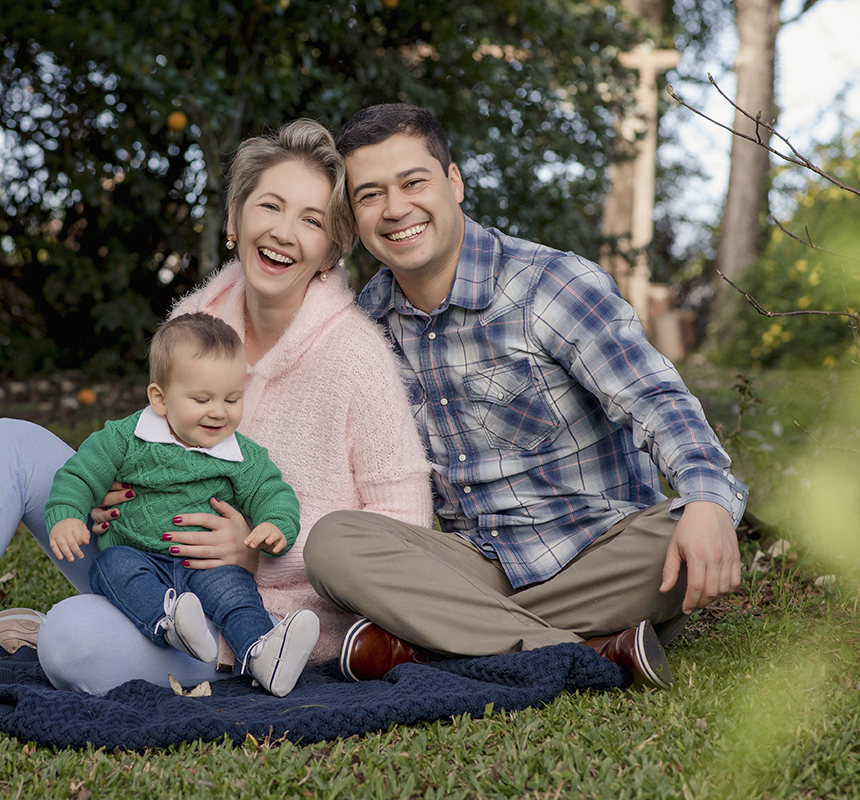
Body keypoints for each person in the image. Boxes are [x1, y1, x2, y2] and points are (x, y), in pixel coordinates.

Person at [0, 118, 433, 724]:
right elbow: (148, 438)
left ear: (331, 250)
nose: (285, 231)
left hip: (249, 626)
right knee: (13, 443)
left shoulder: (356, 357)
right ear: (235, 218)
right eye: (271, 205)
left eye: (312, 220)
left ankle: (79, 633)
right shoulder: (196, 321)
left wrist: (262, 546)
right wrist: (114, 488)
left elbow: (404, 533)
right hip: (143, 559)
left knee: (69, 640)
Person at [304, 104, 749, 689]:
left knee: (675, 536)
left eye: (413, 182)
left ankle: (441, 642)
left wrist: (707, 501)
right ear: (353, 214)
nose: (395, 208)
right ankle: (587, 651)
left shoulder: (550, 284)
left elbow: (657, 399)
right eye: (370, 195)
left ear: (454, 181)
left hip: (602, 554)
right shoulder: (368, 324)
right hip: (475, 566)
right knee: (333, 544)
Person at [46, 312, 319, 697]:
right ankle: (167, 622)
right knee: (113, 567)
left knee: (236, 595)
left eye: (232, 399)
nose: (219, 411)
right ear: (160, 398)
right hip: (139, 555)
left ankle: (263, 654)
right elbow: (80, 474)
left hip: (207, 564)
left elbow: (272, 491)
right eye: (202, 399)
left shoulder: (242, 456)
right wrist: (66, 515)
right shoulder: (125, 439)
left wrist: (277, 523)